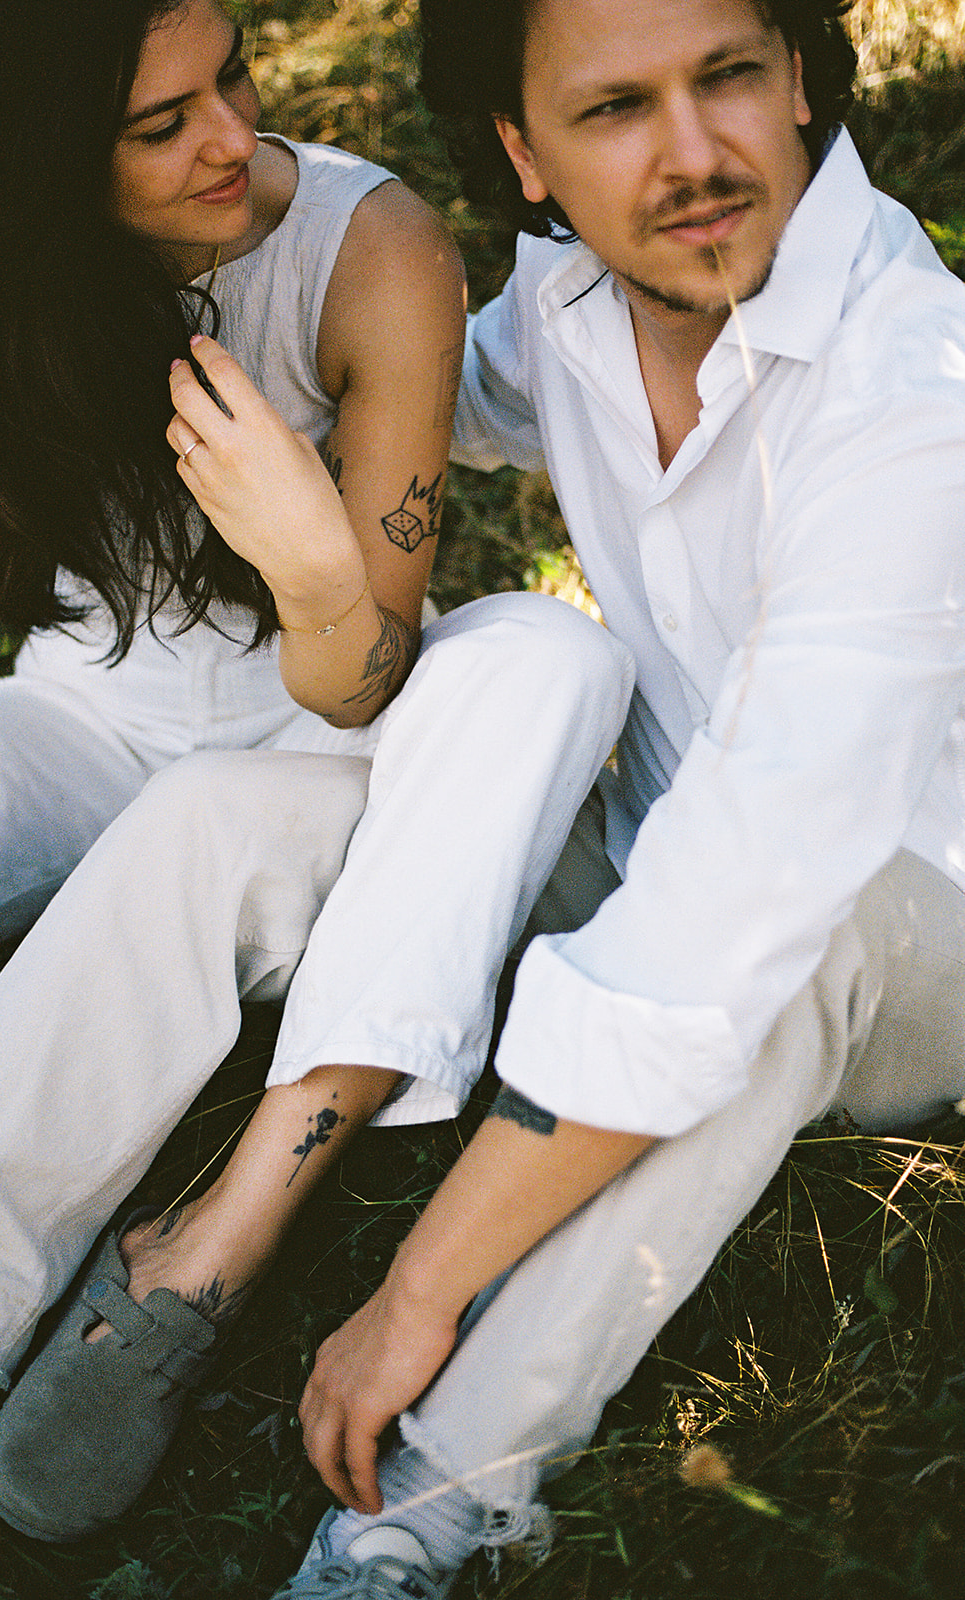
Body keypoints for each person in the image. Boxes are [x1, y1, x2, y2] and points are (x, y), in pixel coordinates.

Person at [0, 0, 626, 1541]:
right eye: (158, 125)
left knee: (215, 818)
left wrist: (308, 570)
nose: (230, 135)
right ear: (33, 168)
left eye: (228, 77)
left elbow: (366, 675)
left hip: (327, 743)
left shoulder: (371, 253)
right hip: (81, 706)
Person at [266, 1, 965, 1595]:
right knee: (417, 736)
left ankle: (435, 1493)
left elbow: (739, 905)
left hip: (917, 929)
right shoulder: (568, 291)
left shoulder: (914, 394)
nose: (695, 157)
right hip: (659, 844)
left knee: (791, 928)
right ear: (522, 154)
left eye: (728, 78)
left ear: (799, 74)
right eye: (614, 111)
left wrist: (424, 1283)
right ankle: (93, 1253)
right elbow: (451, 385)